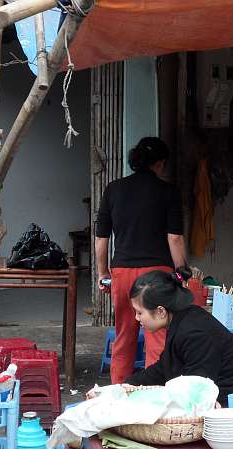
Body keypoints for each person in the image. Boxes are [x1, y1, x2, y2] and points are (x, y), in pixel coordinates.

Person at [95, 137, 187, 384]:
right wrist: (182, 273)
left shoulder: (113, 190)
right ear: (160, 163)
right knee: (157, 337)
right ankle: (156, 393)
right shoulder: (169, 192)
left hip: (123, 272)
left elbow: (101, 239)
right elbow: (175, 238)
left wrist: (103, 274)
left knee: (125, 334)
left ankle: (119, 392)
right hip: (157, 274)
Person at [123, 268, 233, 404]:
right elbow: (164, 368)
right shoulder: (180, 319)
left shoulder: (194, 332)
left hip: (228, 402)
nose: (137, 318)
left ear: (161, 311)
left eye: (140, 313)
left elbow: (196, 386)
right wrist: (129, 384)